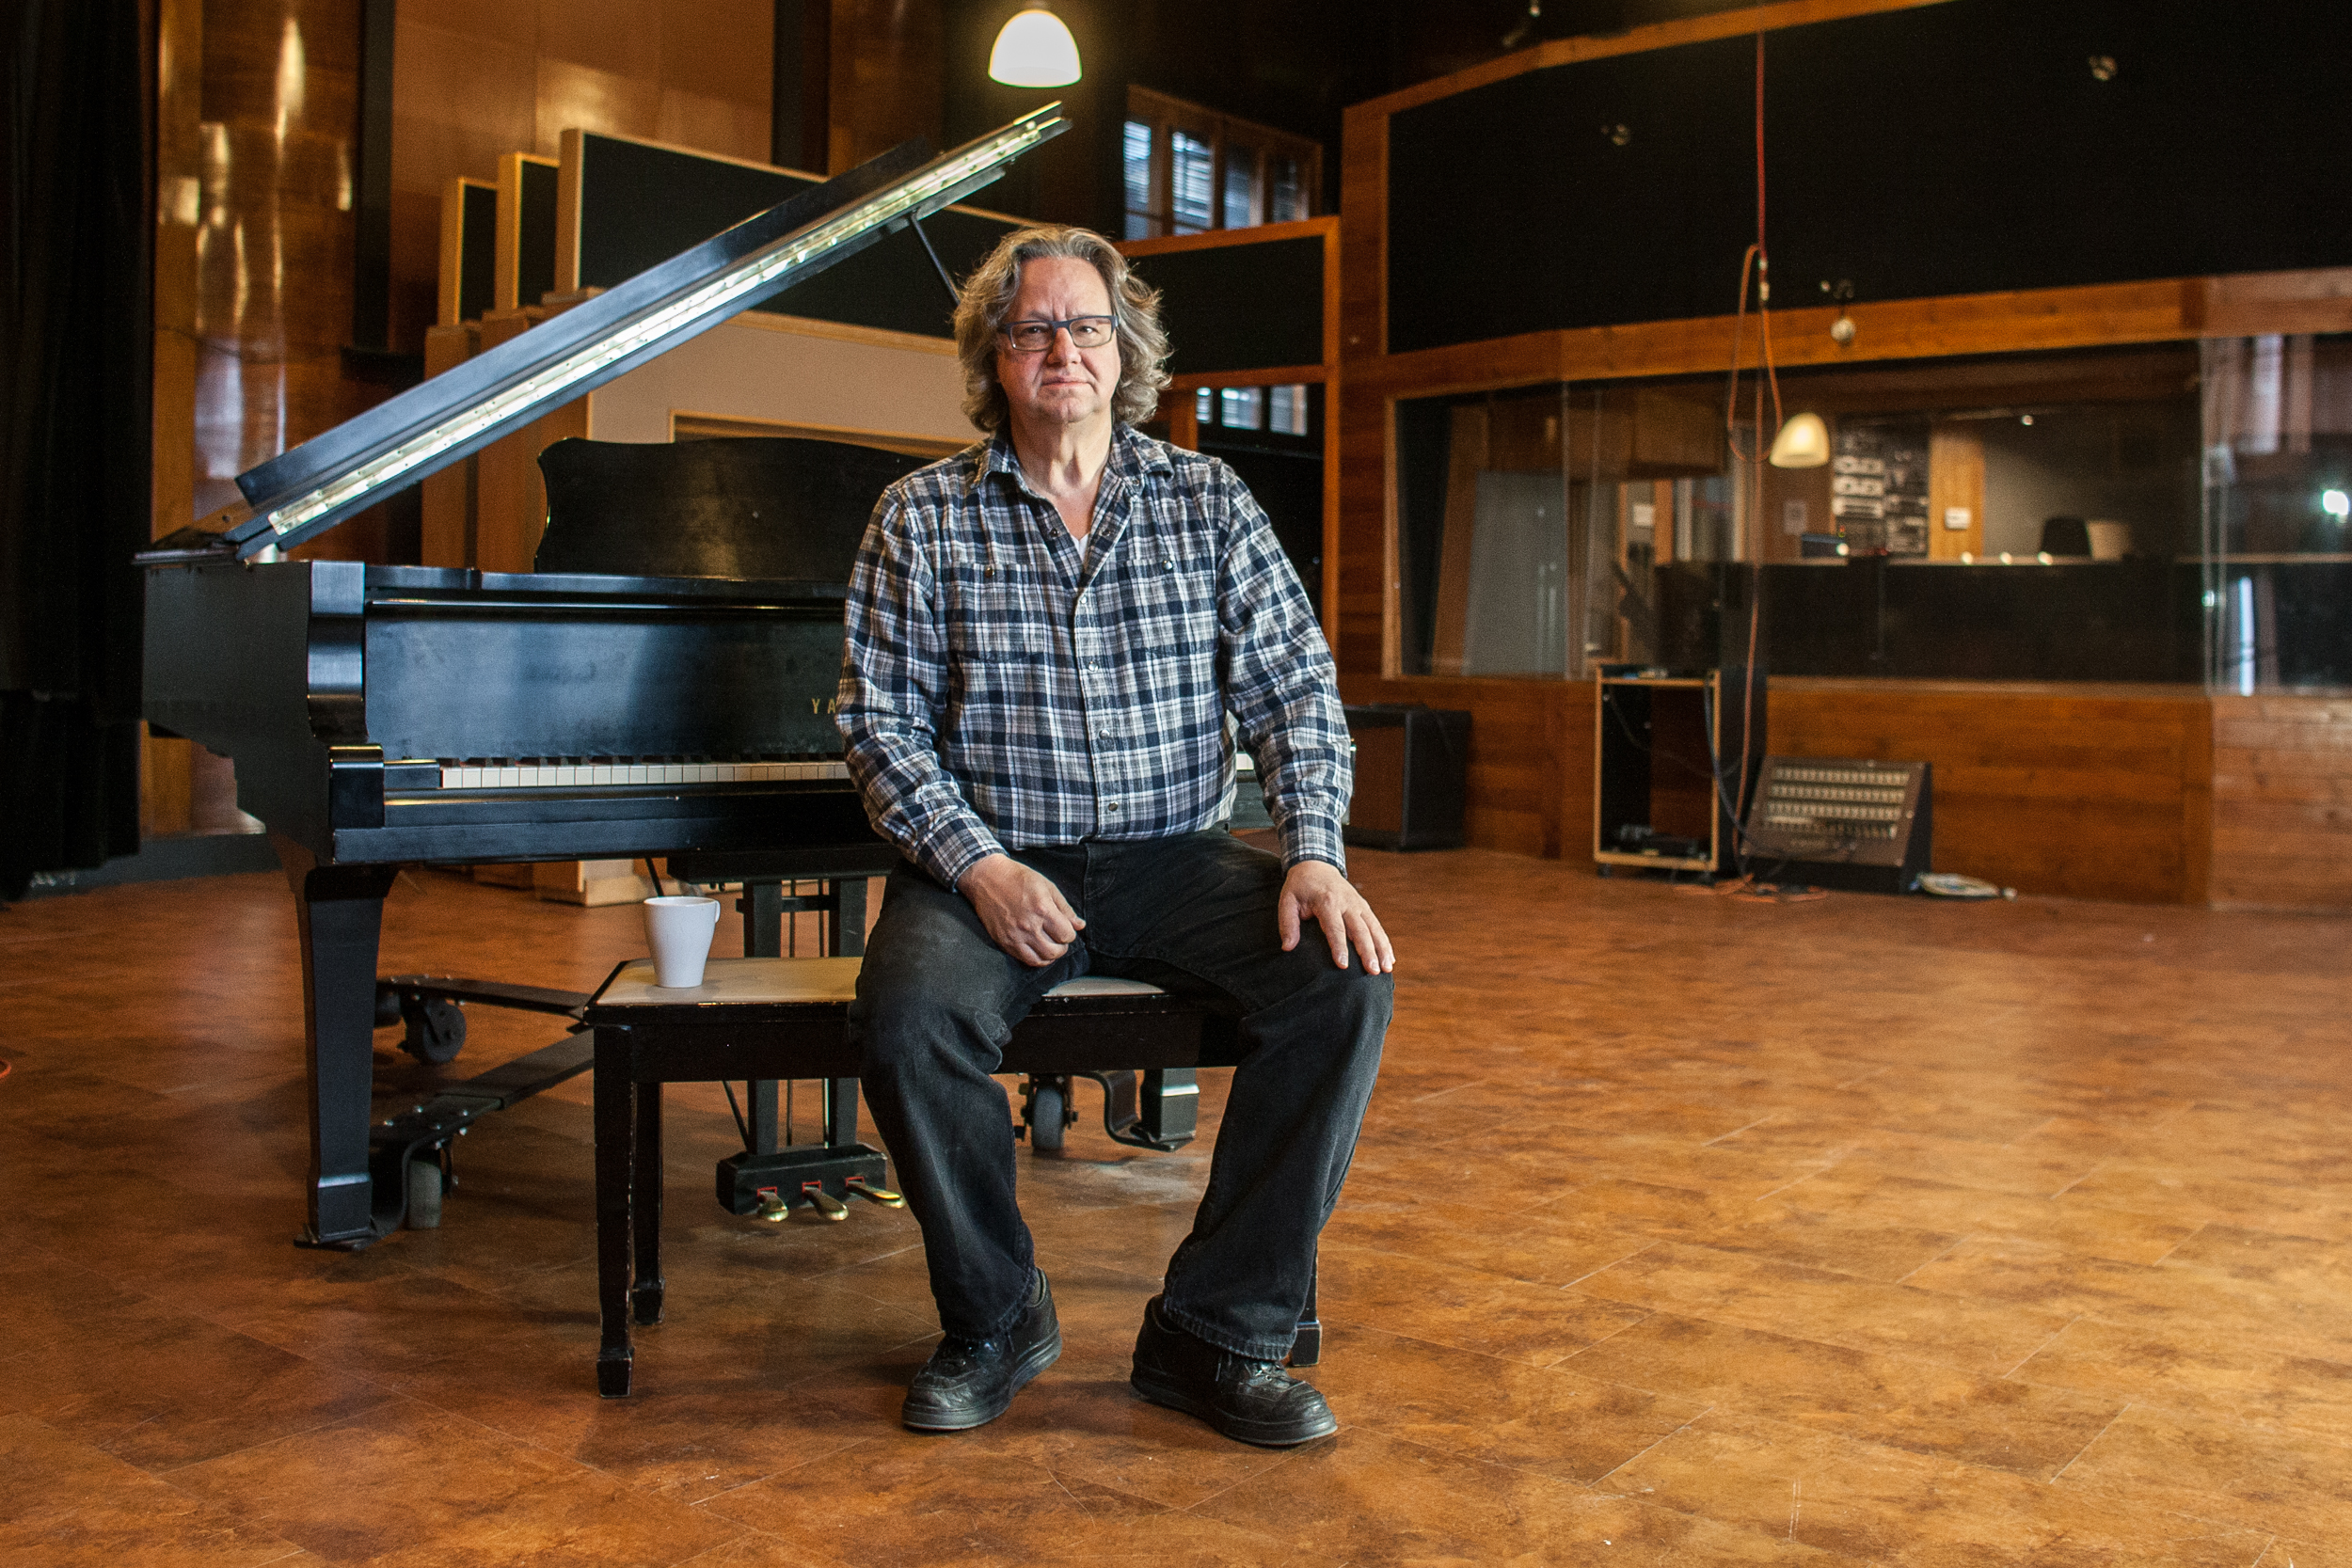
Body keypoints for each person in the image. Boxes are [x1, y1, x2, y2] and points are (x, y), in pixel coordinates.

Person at [836, 224, 1392, 1449]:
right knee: (908, 1017)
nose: (1064, 350)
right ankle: (995, 1317)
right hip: (990, 861)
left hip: (1172, 857)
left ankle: (1217, 1333)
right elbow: (879, 726)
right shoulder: (918, 517)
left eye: (1087, 326)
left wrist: (1313, 850)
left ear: (1124, 347)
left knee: (1341, 982)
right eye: (1033, 329)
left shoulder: (1208, 502)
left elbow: (1296, 692)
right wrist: (978, 866)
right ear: (994, 356)